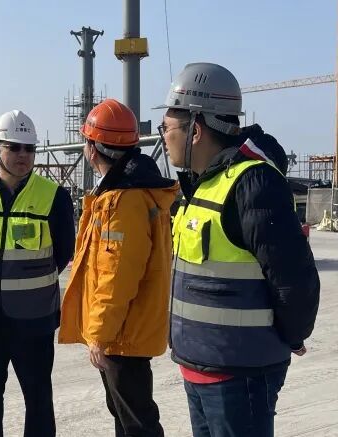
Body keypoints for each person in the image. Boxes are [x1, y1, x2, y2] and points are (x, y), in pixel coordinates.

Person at [154, 62, 320, 437]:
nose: (163, 137)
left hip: (240, 374)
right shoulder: (201, 186)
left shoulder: (253, 183)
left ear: (195, 130)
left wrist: (293, 334)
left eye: (168, 128)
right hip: (200, 366)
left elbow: (294, 278)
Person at [59, 98, 179, 437]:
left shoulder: (123, 201)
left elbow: (117, 274)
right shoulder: (123, 193)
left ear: (93, 148)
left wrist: (100, 332)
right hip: (125, 330)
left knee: (137, 423)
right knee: (127, 419)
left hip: (122, 335)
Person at [0, 109, 75, 437]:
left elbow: (63, 253)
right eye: (13, 147)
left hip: (34, 318)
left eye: (29, 148)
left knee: (38, 399)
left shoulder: (54, 197)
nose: (23, 155)